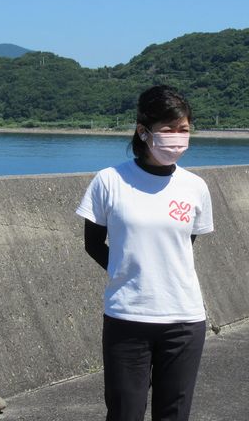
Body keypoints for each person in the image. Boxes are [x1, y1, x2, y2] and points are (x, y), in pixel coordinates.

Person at [76, 85, 214, 421]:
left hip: (184, 318)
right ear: (143, 131)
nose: (177, 138)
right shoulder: (109, 181)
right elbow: (93, 242)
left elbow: (184, 244)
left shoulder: (195, 187)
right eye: (168, 130)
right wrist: (127, 273)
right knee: (125, 412)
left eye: (184, 130)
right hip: (127, 317)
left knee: (174, 414)